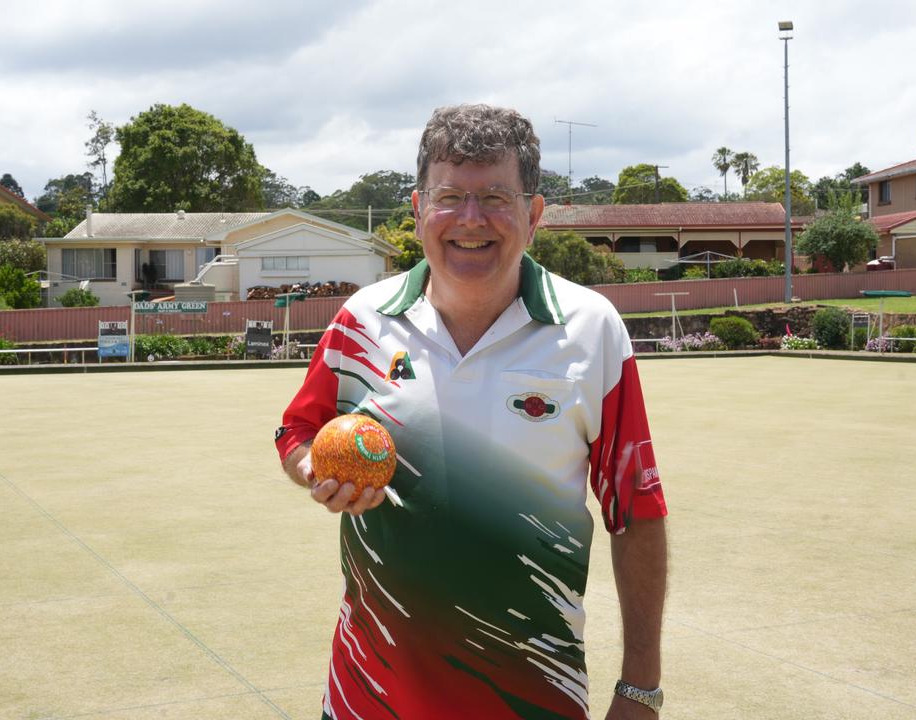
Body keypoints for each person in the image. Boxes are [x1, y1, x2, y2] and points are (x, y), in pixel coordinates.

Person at [275, 103, 668, 720]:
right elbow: (296, 429)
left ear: (533, 214)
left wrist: (640, 689)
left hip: (531, 699)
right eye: (450, 196)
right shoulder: (360, 321)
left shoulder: (593, 330)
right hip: (367, 698)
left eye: (495, 198)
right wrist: (311, 472)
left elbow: (637, 512)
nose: (470, 219)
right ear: (417, 209)